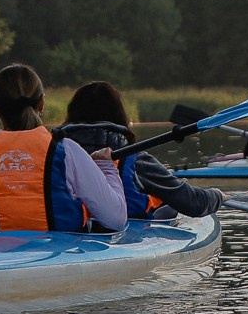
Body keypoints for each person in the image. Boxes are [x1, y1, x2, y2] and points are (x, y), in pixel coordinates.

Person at [0, 65, 129, 234]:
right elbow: (116, 219)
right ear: (41, 103)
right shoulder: (68, 152)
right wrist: (107, 168)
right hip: (59, 257)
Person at [60, 80, 224, 221]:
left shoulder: (54, 155)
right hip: (128, 239)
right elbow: (194, 203)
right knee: (167, 207)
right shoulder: (136, 160)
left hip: (66, 235)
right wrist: (218, 196)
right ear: (119, 116)